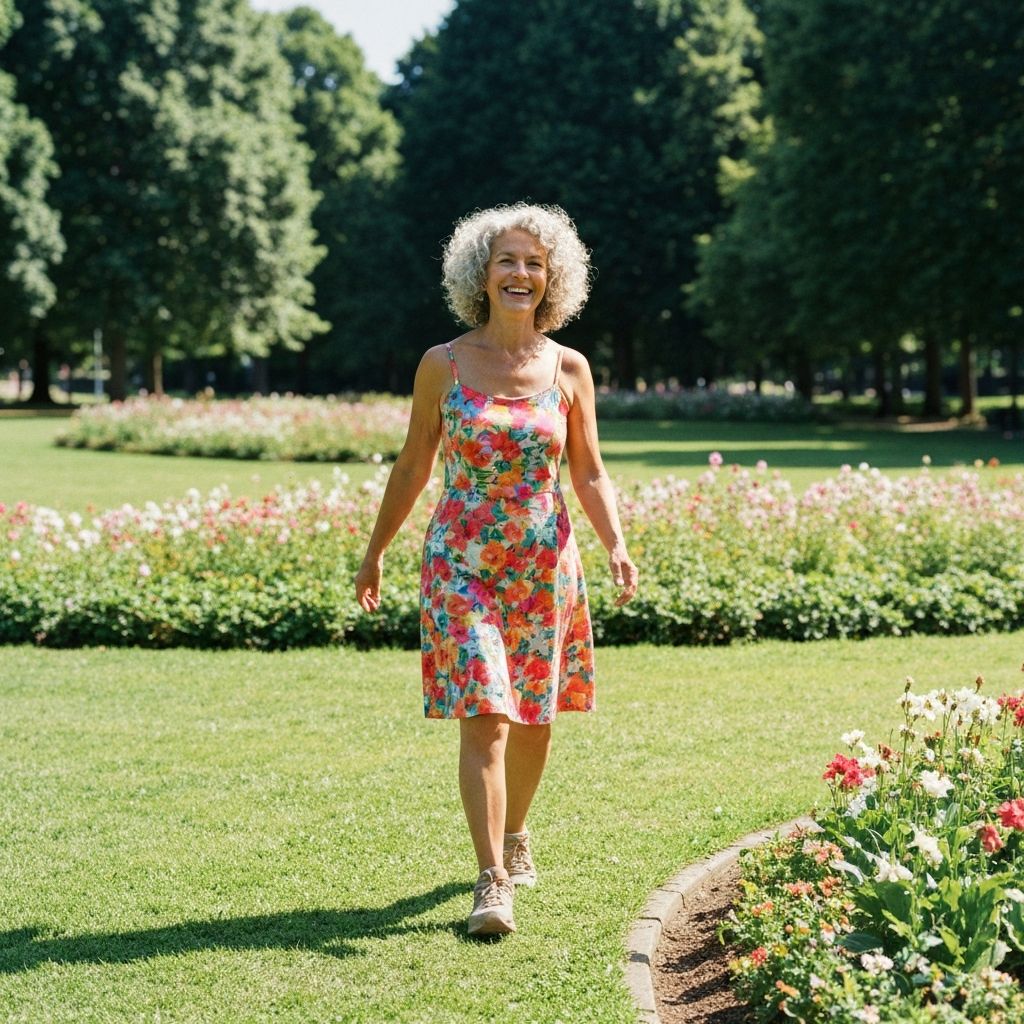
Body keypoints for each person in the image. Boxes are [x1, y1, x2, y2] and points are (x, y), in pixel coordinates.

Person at [354, 202, 638, 937]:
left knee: (535, 719)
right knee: (486, 713)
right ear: (480, 274)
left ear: (552, 278)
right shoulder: (442, 365)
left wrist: (615, 543)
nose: (520, 273)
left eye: (534, 263)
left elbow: (590, 471)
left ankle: (516, 832)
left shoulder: (568, 368)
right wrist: (376, 549)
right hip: (461, 564)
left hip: (544, 566)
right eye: (507, 260)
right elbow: (414, 463)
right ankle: (492, 880)